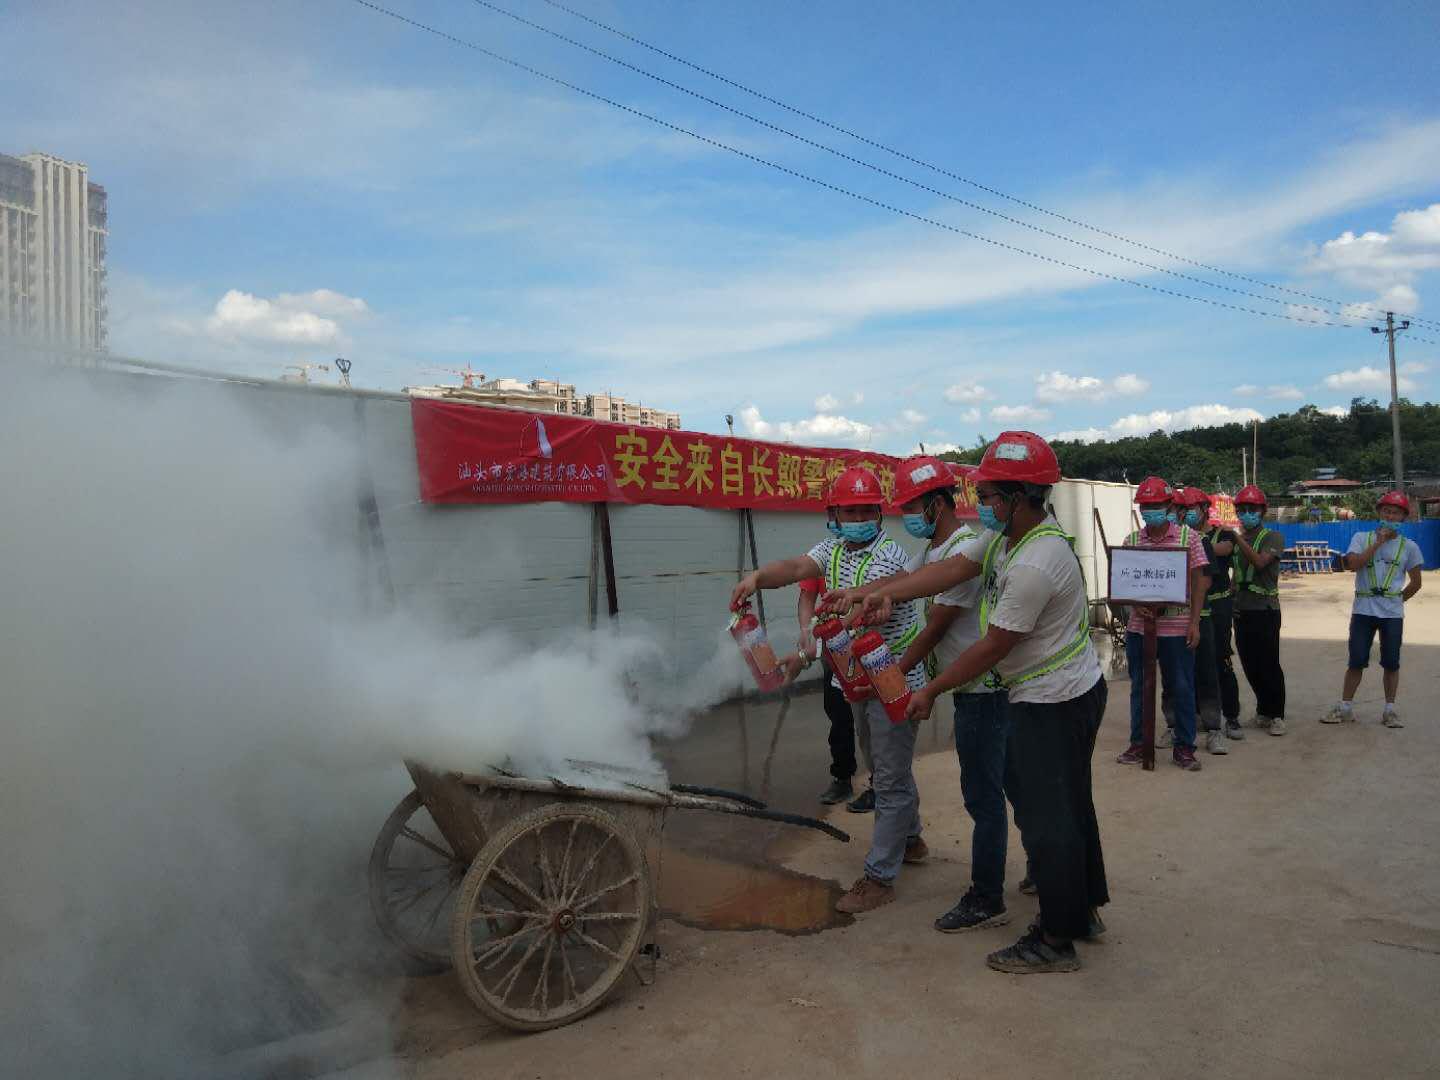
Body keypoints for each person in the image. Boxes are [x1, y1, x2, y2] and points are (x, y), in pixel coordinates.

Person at [825, 431, 1108, 974]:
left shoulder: (1035, 562)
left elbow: (991, 646)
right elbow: (947, 571)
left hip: (1055, 698)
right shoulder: (1006, 540)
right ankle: (1082, 910)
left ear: (1021, 497)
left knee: (1049, 816)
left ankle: (1054, 938)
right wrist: (873, 594)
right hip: (1048, 691)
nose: (981, 505)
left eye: (991, 496)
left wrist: (928, 689)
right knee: (1063, 807)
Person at [731, 466, 926, 915]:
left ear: (878, 513)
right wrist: (758, 577)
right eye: (848, 509)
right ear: (834, 513)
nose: (857, 516)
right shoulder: (833, 548)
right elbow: (799, 568)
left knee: (889, 777)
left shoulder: (891, 557)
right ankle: (910, 839)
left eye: (865, 509)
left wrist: (815, 645)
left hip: (893, 680)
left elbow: (865, 611)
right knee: (882, 765)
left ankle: (880, 877)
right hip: (855, 680)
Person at [889, 454, 1016, 933]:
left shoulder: (964, 548)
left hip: (981, 686)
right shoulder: (936, 549)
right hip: (978, 686)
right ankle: (1043, 867)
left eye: (911, 505)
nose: (905, 515)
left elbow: (937, 627)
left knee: (983, 795)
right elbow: (906, 583)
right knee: (1016, 783)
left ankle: (987, 897)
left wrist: (897, 674)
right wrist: (866, 598)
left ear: (937, 505)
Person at [1112, 478, 1208, 771]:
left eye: (1156, 505)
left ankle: (1184, 747)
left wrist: (1194, 622)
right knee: (1140, 687)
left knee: (1181, 686)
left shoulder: (1187, 539)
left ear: (1168, 506)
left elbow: (1200, 580)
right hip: (1141, 629)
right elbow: (1125, 583)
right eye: (1145, 506)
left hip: (1176, 628)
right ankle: (1139, 743)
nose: (1150, 510)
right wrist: (1134, 602)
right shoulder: (1132, 541)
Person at [1323, 491, 1424, 728]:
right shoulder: (1361, 538)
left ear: (1403, 518)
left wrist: (1398, 602)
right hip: (1363, 610)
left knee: (1391, 662)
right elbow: (1353, 565)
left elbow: (1416, 582)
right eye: (1386, 511)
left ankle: (1389, 710)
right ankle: (1346, 706)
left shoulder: (1409, 547)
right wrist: (1378, 542)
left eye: (1396, 513)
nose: (1390, 516)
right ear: (1379, 513)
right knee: (1356, 660)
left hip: (1392, 614)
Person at [1158, 487, 1228, 755]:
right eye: (1175, 509)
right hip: (1168, 623)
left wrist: (1194, 618)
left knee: (1206, 674)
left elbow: (1206, 579)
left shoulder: (1199, 540)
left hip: (1200, 617)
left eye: (1181, 509)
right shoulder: (1158, 543)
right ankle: (1174, 725)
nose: (1177, 514)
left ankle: (1213, 729)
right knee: (1171, 677)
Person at [796, 573, 872, 805]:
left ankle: (881, 782)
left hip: (869, 639)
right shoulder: (824, 556)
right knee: (838, 713)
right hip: (833, 644)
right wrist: (806, 631)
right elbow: (807, 597)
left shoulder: (879, 553)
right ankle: (842, 778)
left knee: (871, 716)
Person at [1231, 485, 1287, 735]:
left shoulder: (1273, 537)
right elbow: (1237, 574)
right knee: (1249, 663)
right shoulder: (1239, 540)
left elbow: (1260, 562)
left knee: (1268, 663)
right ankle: (1263, 710)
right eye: (1242, 510)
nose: (1246, 514)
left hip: (1265, 610)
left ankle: (1277, 715)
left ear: (1262, 511)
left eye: (1251, 509)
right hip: (1243, 609)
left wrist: (1236, 539)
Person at [1201, 496, 1245, 742]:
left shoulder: (1224, 535)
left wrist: (1192, 543)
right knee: (1197, 664)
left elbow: (1222, 550)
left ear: (1203, 510)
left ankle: (1231, 716)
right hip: (1194, 606)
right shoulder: (1183, 537)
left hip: (1218, 605)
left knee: (1221, 661)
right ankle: (1202, 714)